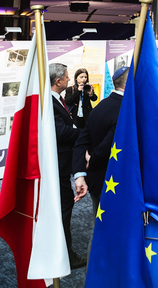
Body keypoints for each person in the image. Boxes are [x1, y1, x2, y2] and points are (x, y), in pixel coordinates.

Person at [72, 67, 128, 225]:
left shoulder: (99, 107)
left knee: (100, 230)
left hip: (98, 182)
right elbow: (108, 145)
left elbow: (81, 142)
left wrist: (80, 174)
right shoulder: (127, 111)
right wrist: (93, 159)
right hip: (118, 184)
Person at [49, 63, 86, 269]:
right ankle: (65, 256)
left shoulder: (58, 99)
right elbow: (61, 132)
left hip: (63, 163)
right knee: (63, 207)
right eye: (66, 76)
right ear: (58, 81)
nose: (69, 79)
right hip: (58, 165)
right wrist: (84, 134)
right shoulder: (49, 101)